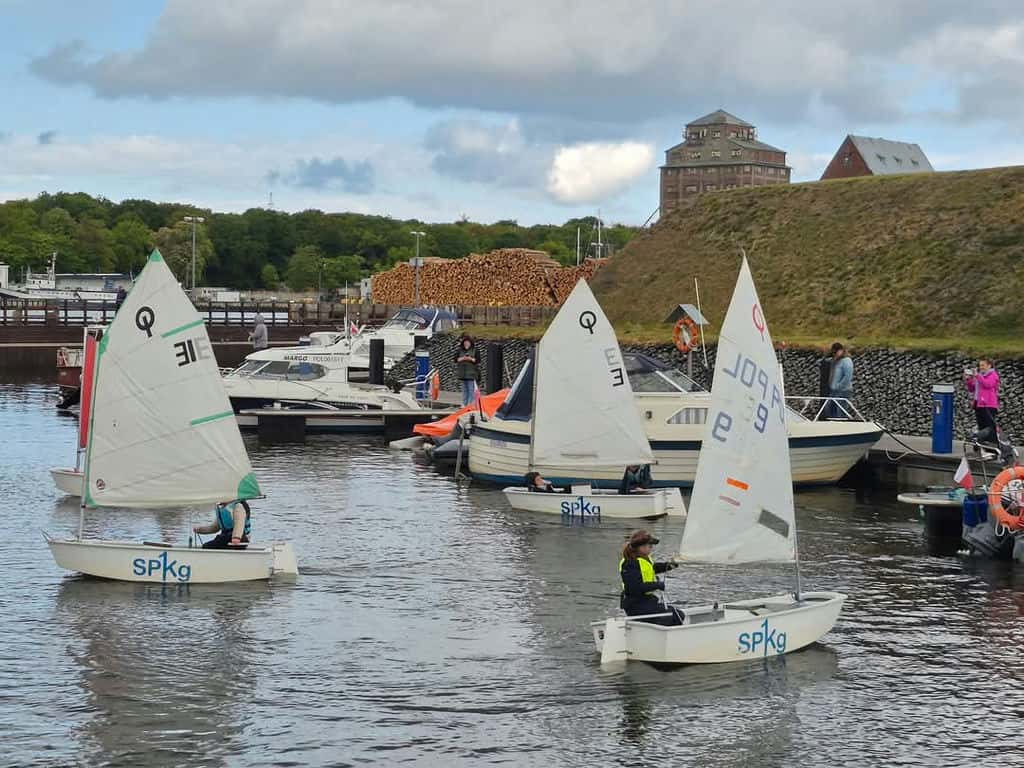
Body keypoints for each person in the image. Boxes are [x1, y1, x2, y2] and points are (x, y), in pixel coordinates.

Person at [619, 530, 683, 625]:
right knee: (671, 617)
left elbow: (652, 568)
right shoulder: (630, 563)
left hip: (646, 601)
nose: (651, 548)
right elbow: (635, 587)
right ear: (641, 547)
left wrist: (669, 565)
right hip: (635, 604)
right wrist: (656, 585)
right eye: (650, 546)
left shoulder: (644, 558)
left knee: (678, 615)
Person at [965, 358, 1000, 440]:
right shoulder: (980, 376)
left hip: (989, 404)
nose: (981, 367)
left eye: (983, 365)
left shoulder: (993, 375)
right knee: (981, 425)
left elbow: (988, 384)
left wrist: (977, 376)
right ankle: (983, 442)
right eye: (980, 365)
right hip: (979, 404)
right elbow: (972, 389)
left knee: (989, 426)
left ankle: (991, 442)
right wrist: (969, 379)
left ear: (989, 366)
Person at [828, 342, 854, 418]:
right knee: (830, 411)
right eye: (833, 353)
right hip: (834, 391)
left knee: (840, 413)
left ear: (841, 350)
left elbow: (848, 376)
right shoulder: (836, 361)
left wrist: (839, 386)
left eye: (836, 352)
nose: (835, 354)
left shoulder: (847, 361)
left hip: (843, 391)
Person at [454, 334, 480, 406]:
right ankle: (464, 404)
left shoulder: (475, 350)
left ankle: (470, 404)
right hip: (462, 373)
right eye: (465, 342)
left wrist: (470, 359)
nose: (466, 343)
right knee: (465, 390)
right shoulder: (459, 350)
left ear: (470, 343)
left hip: (471, 373)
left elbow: (478, 360)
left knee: (471, 390)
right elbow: (455, 359)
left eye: (468, 342)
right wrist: (463, 358)